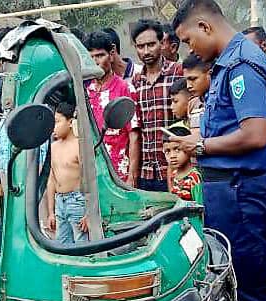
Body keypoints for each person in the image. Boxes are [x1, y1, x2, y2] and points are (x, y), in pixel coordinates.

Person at [172, 0, 266, 301]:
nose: (191, 52)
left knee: (253, 286)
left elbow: (255, 134)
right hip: (226, 190)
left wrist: (200, 145)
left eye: (189, 41)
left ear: (204, 26)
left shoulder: (242, 66)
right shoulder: (228, 64)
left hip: (241, 191)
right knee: (229, 279)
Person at [130, 19, 183, 191]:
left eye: (151, 44)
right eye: (140, 46)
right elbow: (136, 130)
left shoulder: (178, 72)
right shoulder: (136, 82)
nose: (146, 51)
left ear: (162, 43)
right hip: (146, 172)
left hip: (176, 167)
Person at [85, 30, 137, 183]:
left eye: (100, 55)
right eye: (91, 57)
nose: (96, 62)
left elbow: (134, 135)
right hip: (94, 172)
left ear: (111, 55)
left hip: (120, 170)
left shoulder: (124, 88)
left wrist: (132, 176)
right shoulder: (85, 93)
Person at [47, 102, 86, 245]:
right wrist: (51, 212)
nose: (54, 127)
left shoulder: (79, 146)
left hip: (77, 200)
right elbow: (52, 179)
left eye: (57, 122)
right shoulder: (54, 147)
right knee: (62, 244)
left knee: (82, 243)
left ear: (70, 122)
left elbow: (90, 179)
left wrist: (89, 213)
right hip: (59, 201)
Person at [164, 123, 202, 202]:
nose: (172, 156)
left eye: (177, 149)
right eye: (167, 151)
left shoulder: (194, 178)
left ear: (188, 148)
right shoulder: (174, 175)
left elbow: (200, 207)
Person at [182, 52, 211, 134]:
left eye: (193, 79)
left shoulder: (220, 100)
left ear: (209, 74)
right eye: (186, 80)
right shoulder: (192, 104)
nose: (188, 86)